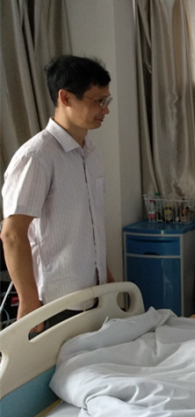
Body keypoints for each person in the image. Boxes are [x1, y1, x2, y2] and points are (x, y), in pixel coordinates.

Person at [1, 55, 115, 331]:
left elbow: (91, 226)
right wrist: (29, 302)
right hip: (54, 302)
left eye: (106, 100)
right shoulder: (37, 157)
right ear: (66, 98)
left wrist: (108, 280)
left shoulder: (91, 154)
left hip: (95, 295)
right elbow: (12, 234)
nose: (106, 110)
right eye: (98, 101)